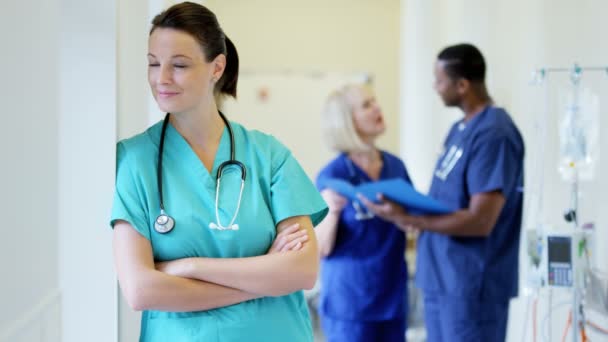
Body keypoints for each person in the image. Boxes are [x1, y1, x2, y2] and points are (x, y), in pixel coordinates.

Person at [110, 2, 328, 341]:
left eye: (179, 65)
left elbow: (302, 270)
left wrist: (190, 267)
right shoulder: (134, 160)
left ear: (217, 68)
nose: (161, 78)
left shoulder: (268, 155)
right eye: (153, 64)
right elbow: (142, 290)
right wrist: (261, 282)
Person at [360, 43, 525, 342]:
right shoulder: (458, 130)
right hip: (441, 278)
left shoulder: (494, 134)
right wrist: (405, 210)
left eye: (440, 80)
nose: (435, 87)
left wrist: (411, 220)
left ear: (462, 85)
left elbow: (481, 220)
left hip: (472, 285)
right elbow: (447, 201)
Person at [315, 83, 411, 342]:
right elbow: (320, 249)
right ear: (347, 121)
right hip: (350, 304)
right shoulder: (333, 176)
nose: (377, 108)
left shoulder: (396, 166)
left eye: (375, 101)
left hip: (392, 297)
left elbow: (413, 225)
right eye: (367, 105)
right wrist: (333, 213)